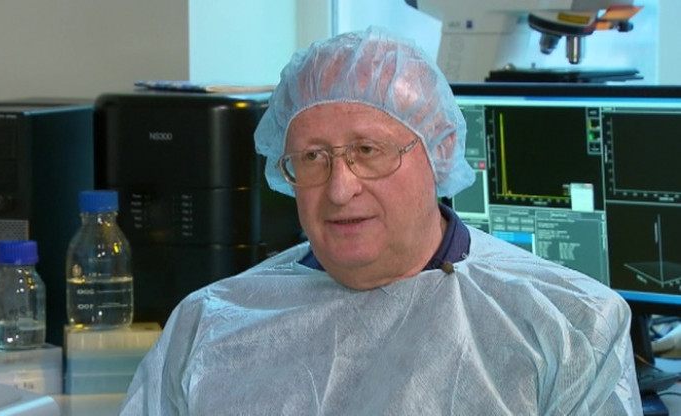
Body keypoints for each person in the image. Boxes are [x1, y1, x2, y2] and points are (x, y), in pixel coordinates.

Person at [119, 26, 642, 415]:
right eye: (312, 158)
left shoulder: (569, 326)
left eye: (368, 151)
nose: (339, 189)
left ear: (439, 152)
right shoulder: (209, 326)